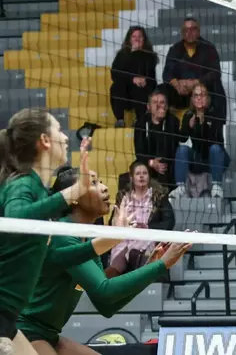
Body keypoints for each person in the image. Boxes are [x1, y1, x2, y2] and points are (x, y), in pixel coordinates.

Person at [17, 167, 190, 355]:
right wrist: (161, 265)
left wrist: (151, 267)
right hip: (22, 330)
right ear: (74, 197)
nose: (105, 187)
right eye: (94, 183)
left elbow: (106, 305)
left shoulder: (91, 240)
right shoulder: (63, 236)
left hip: (48, 333)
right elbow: (105, 291)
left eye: (100, 181)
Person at [0, 111, 114, 355]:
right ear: (44, 140)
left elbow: (57, 259)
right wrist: (74, 192)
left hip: (8, 318)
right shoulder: (22, 184)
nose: (65, 136)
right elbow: (16, 220)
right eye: (59, 129)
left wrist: (107, 240)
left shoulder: (39, 191)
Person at [108, 163, 175, 277]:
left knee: (137, 251)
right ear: (131, 178)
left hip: (149, 237)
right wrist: (120, 223)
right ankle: (106, 286)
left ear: (149, 177)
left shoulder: (159, 196)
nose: (141, 176)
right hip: (125, 237)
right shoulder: (123, 197)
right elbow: (112, 223)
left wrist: (148, 228)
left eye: (144, 173)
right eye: (138, 174)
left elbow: (170, 221)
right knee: (117, 256)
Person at [159, 18, 226, 121]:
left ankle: (215, 125)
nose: (189, 32)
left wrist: (197, 82)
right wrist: (177, 84)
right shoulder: (175, 49)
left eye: (193, 29)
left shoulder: (209, 48)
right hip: (181, 93)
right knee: (161, 89)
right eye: (186, 29)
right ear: (182, 33)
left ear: (198, 31)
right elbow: (167, 74)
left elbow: (215, 72)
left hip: (202, 92)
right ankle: (160, 123)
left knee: (217, 86)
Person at [173, 83, 229, 199]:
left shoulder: (216, 113)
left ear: (208, 98)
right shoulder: (188, 115)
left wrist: (203, 124)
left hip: (214, 157)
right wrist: (189, 126)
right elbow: (182, 139)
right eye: (196, 95)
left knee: (215, 148)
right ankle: (180, 188)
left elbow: (217, 141)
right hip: (197, 158)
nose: (199, 97)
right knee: (182, 149)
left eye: (202, 95)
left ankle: (217, 187)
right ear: (192, 99)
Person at [109, 26, 157, 128]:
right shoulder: (122, 55)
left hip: (143, 90)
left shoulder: (150, 56)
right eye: (134, 36)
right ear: (129, 39)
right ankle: (120, 120)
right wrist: (132, 79)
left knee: (140, 87)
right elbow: (115, 74)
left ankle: (140, 120)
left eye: (140, 36)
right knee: (116, 87)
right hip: (125, 93)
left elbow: (150, 76)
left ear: (144, 39)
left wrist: (144, 79)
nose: (137, 39)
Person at [133, 91, 181, 189]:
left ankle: (164, 197)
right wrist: (151, 162)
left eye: (162, 102)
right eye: (155, 102)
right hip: (147, 162)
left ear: (166, 107)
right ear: (148, 106)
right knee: (135, 167)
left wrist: (159, 123)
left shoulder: (172, 121)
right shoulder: (141, 123)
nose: (159, 105)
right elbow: (139, 151)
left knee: (163, 163)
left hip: (167, 163)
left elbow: (171, 148)